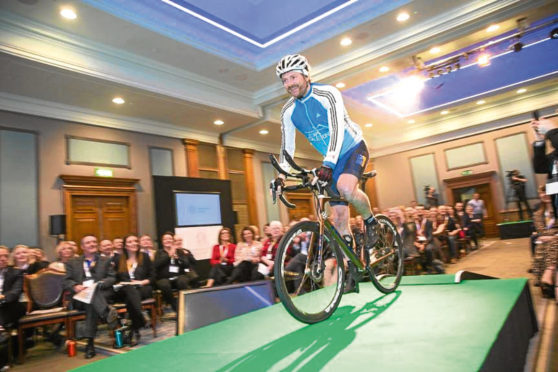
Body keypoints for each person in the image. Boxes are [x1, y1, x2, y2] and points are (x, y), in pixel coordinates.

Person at [271, 54, 378, 293]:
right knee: (339, 218)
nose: (289, 83)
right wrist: (281, 176)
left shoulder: (327, 93)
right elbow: (287, 147)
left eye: (293, 77)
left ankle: (371, 221)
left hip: (351, 148)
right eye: (284, 80)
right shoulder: (288, 111)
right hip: (330, 159)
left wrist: (328, 163)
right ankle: (351, 273)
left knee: (347, 189)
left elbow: (338, 128)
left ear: (306, 75)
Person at [63, 235, 118, 359]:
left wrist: (98, 284)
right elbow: (66, 281)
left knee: (91, 301)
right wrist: (75, 286)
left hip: (100, 293)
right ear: (82, 247)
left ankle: (90, 343)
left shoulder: (105, 260)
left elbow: (112, 278)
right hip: (79, 296)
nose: (92, 244)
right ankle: (108, 314)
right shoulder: (72, 262)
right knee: (89, 299)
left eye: (94, 242)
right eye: (88, 242)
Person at [114, 235, 153, 346]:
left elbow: (153, 276)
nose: (134, 243)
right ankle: (139, 320)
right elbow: (114, 277)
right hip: (125, 290)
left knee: (131, 298)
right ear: (125, 245)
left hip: (143, 288)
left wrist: (141, 282)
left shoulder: (144, 257)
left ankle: (133, 330)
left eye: (135, 241)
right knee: (130, 293)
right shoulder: (118, 259)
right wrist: (119, 283)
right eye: (130, 242)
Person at [154, 232, 196, 312]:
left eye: (170, 239)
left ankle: (183, 304)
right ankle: (175, 307)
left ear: (173, 241)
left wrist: (178, 259)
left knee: (183, 281)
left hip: (179, 276)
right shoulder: (159, 253)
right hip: (164, 278)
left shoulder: (179, 251)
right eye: (165, 239)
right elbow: (156, 265)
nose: (168, 240)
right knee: (164, 284)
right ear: (162, 241)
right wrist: (168, 256)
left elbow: (186, 265)